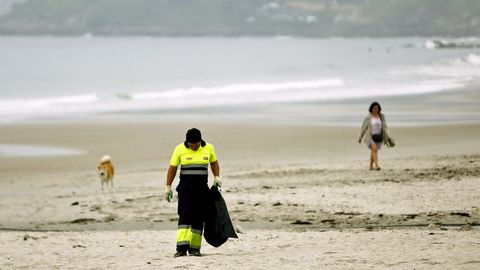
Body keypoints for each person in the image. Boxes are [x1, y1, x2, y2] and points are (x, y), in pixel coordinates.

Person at [165, 128, 222, 258]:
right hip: (185, 188)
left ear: (200, 141)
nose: (194, 147)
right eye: (191, 145)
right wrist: (168, 186)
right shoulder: (179, 149)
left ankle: (195, 249)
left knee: (199, 217)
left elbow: (214, 163)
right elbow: (172, 168)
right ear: (187, 142)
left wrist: (217, 177)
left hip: (202, 188)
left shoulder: (209, 148)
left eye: (196, 145)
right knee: (185, 214)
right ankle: (181, 248)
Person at [358, 101, 392, 171]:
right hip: (370, 137)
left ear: (379, 109)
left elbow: (385, 127)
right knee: (375, 150)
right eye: (374, 108)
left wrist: (388, 137)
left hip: (379, 137)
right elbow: (364, 128)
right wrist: (360, 137)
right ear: (371, 109)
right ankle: (376, 166)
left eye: (377, 108)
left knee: (373, 151)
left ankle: (370, 166)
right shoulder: (368, 118)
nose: (376, 110)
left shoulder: (381, 117)